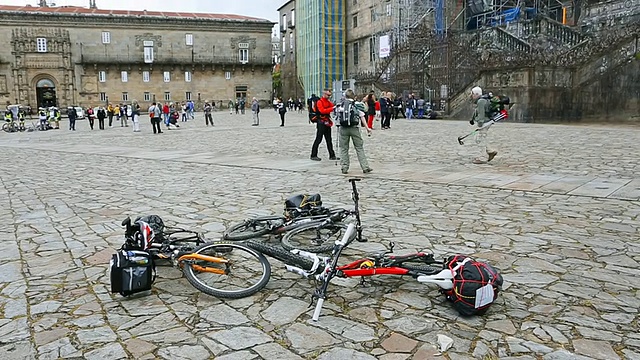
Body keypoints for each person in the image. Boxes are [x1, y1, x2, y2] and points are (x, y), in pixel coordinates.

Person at [338, 90, 373, 174]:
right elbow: (362, 115)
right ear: (353, 96)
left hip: (343, 128)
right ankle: (365, 167)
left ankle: (344, 167)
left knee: (343, 148)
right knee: (359, 148)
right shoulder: (356, 104)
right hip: (354, 128)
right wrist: (367, 128)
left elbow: (337, 116)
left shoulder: (340, 104)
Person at [469, 86, 498, 164]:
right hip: (487, 121)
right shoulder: (483, 100)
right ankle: (490, 151)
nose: (472, 96)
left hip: (485, 122)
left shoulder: (481, 101)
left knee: (479, 138)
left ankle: (482, 157)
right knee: (480, 137)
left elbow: (481, 113)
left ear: (476, 94)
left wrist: (480, 124)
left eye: (472, 94)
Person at [310, 88, 337, 161]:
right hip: (321, 122)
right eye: (328, 95)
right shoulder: (320, 102)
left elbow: (332, 106)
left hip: (327, 122)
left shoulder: (328, 102)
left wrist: (334, 107)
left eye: (330, 95)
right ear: (324, 94)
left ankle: (332, 155)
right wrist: (332, 109)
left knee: (329, 139)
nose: (329, 96)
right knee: (318, 139)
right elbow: (322, 111)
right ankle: (313, 155)